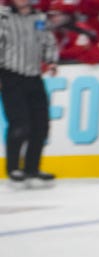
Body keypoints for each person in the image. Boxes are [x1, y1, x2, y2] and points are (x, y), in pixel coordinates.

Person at [1, 0, 59, 188]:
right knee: (20, 124)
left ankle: (32, 168)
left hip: (34, 76)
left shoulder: (39, 17)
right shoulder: (3, 17)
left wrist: (50, 61)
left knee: (41, 124)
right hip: (11, 75)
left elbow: (48, 41)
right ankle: (13, 169)